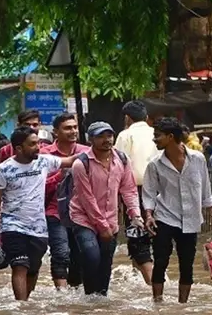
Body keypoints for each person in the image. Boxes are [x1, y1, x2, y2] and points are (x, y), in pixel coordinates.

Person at [0, 126, 76, 301]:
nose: (38, 147)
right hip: (12, 225)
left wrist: (93, 151)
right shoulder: (3, 170)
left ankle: (26, 303)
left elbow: (69, 161)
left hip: (38, 227)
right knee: (20, 265)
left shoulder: (43, 162)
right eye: (33, 144)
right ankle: (22, 306)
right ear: (19, 148)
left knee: (33, 268)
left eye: (38, 143)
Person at [142, 117, 212, 303]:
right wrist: (148, 215)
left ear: (170, 137)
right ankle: (158, 302)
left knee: (187, 265)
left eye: (157, 136)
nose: (155, 140)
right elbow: (149, 192)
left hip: (190, 218)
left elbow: (205, 189)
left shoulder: (198, 159)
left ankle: (183, 305)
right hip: (164, 216)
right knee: (160, 261)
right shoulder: (155, 164)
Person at [67, 122, 142, 296]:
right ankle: (88, 296)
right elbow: (87, 199)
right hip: (84, 218)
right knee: (92, 256)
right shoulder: (81, 164)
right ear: (90, 139)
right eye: (101, 136)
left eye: (109, 135)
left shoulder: (122, 160)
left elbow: (129, 190)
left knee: (105, 264)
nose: (106, 140)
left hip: (111, 219)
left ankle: (101, 300)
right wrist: (102, 227)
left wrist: (135, 215)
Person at [42, 113, 91, 289]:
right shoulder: (45, 155)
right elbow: (38, 185)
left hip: (82, 212)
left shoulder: (86, 153)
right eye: (67, 128)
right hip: (54, 210)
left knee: (81, 255)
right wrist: (59, 175)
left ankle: (76, 292)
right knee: (61, 252)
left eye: (75, 127)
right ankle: (61, 294)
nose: (73, 131)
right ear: (55, 132)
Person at [115, 100, 159, 285]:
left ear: (127, 118)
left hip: (134, 191)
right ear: (146, 117)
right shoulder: (157, 133)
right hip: (160, 192)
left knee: (137, 235)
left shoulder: (125, 135)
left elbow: (117, 164)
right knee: (152, 235)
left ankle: (152, 284)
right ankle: (139, 280)